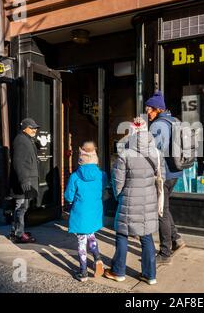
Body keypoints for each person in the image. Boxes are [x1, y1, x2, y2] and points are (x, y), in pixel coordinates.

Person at [104, 117, 164, 285]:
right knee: (146, 236)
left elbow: (117, 182)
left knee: (123, 234)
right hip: (149, 201)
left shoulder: (125, 155)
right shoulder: (157, 154)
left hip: (129, 200)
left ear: (131, 133)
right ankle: (150, 275)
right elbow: (162, 178)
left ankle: (118, 271)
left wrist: (119, 196)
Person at [145, 91, 186, 265]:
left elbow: (152, 151)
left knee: (160, 211)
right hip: (175, 171)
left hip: (164, 174)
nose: (147, 112)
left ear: (158, 109)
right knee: (165, 207)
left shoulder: (157, 126)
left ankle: (165, 253)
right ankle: (176, 239)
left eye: (149, 108)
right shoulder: (174, 121)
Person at [64, 141, 107, 282]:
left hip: (80, 213)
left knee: (82, 241)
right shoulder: (102, 175)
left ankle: (83, 272)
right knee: (91, 234)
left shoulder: (75, 176)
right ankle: (98, 258)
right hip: (95, 211)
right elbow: (104, 189)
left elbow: (68, 197)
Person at [9, 118, 40, 243]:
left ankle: (17, 231)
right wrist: (24, 180)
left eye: (35, 128)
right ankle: (18, 234)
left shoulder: (27, 139)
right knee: (21, 207)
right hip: (23, 182)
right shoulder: (21, 140)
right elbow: (18, 163)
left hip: (27, 181)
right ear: (25, 128)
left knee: (23, 207)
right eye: (32, 128)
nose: (34, 130)